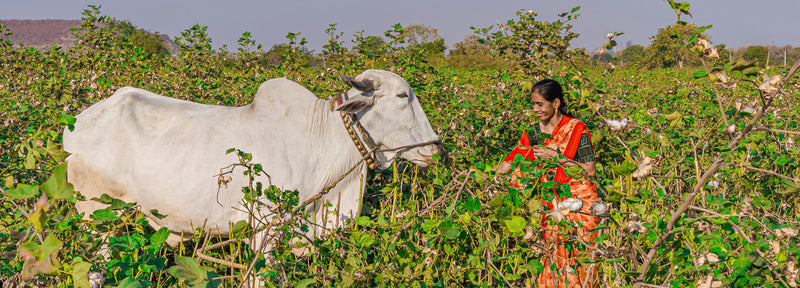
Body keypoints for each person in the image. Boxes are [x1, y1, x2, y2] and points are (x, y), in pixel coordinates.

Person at [495, 79, 600, 288]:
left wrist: (557, 157)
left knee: (580, 259)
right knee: (553, 260)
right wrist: (489, 179)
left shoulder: (576, 128)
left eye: (540, 104)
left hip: (581, 205)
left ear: (556, 103)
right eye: (533, 104)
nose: (535, 109)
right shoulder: (533, 133)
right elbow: (512, 159)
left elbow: (589, 170)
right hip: (550, 207)